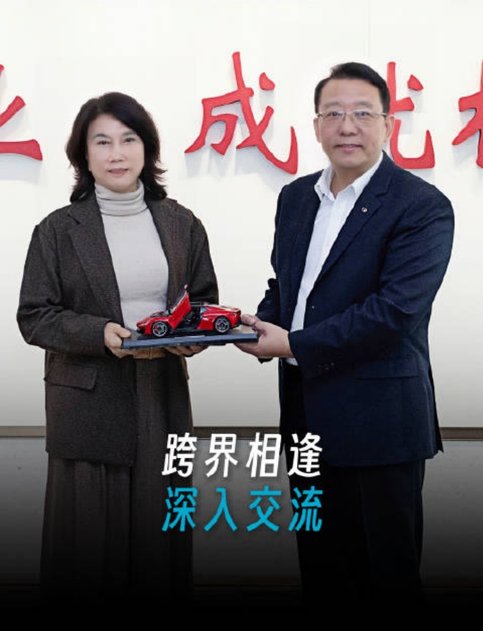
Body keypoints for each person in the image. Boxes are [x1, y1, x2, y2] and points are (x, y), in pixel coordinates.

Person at [237, 62, 454, 608]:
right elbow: (290, 285)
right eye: (333, 114)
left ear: (388, 124)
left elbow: (393, 313)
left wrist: (292, 345)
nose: (347, 126)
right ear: (316, 126)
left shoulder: (421, 205)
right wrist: (257, 324)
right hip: (305, 418)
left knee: (386, 577)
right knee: (322, 572)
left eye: (362, 113)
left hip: (379, 422)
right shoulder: (296, 197)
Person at [17, 92, 218, 608]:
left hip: (161, 393)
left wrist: (192, 337)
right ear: (83, 155)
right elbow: (34, 315)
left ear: (147, 149)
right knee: (87, 551)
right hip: (88, 399)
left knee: (159, 543)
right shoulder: (57, 230)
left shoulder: (181, 223)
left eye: (129, 139)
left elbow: (202, 302)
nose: (116, 153)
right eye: (102, 142)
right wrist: (99, 333)